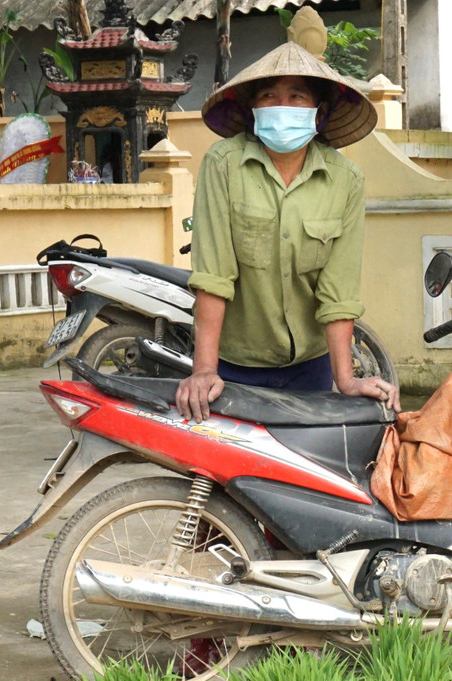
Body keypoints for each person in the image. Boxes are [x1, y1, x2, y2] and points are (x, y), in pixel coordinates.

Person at [176, 40, 400, 423]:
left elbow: (338, 289)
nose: (282, 106)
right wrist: (203, 370)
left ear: (319, 112)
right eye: (269, 95)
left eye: (297, 96)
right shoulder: (223, 163)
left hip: (309, 366)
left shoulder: (344, 179)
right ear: (252, 109)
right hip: (233, 366)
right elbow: (213, 274)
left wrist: (345, 379)